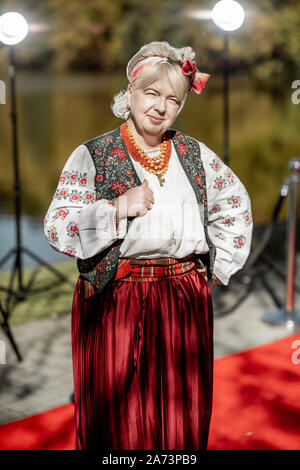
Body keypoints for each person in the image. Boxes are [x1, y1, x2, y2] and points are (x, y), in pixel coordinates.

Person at [44, 41, 253, 450]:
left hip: (183, 297)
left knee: (181, 412)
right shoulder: (93, 155)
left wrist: (215, 269)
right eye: (152, 94)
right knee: (119, 417)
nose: (160, 107)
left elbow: (234, 204)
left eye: (172, 99)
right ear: (130, 95)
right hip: (116, 299)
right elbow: (57, 227)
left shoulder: (194, 154)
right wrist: (116, 208)